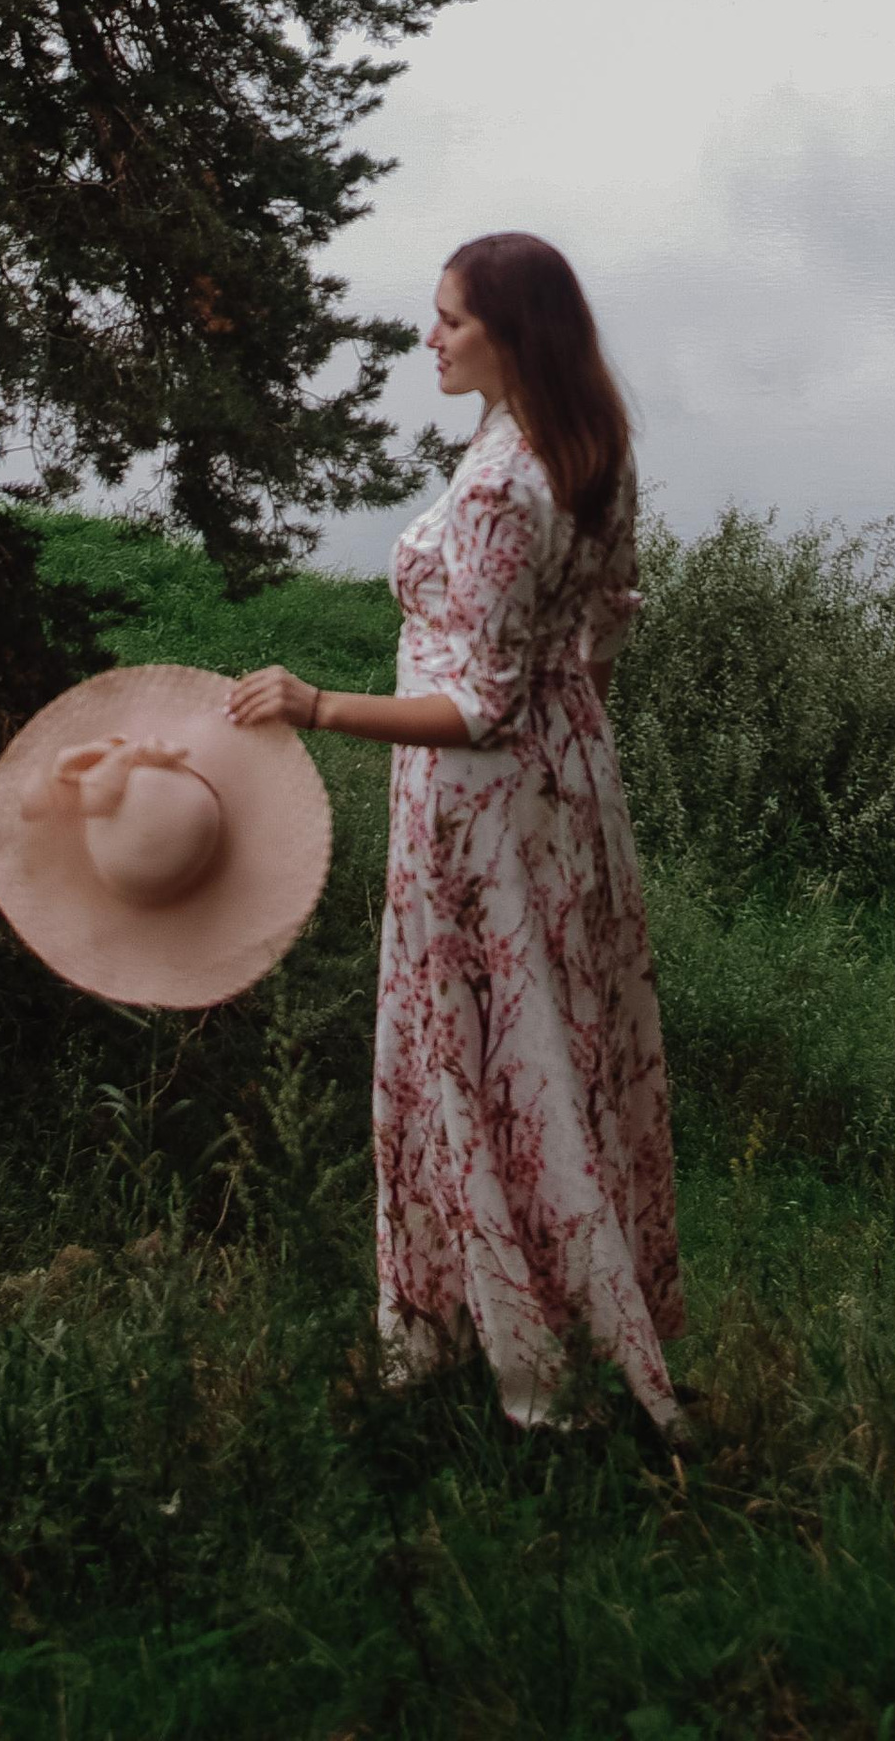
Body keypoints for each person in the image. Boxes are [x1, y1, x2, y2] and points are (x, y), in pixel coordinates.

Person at [230, 230, 683, 1430]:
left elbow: (473, 709)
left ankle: (502, 1355)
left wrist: (316, 703)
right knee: (559, 1041)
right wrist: (558, 708)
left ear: (509, 335)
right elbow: (610, 612)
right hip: (569, 783)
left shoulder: (498, 481)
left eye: (448, 320)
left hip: (478, 807)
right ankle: (533, 1317)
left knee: (481, 1051)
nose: (426, 336)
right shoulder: (588, 443)